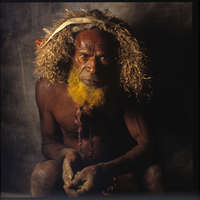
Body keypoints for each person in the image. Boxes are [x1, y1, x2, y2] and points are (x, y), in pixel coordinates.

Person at [30, 9, 164, 197]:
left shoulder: (123, 88)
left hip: (114, 170)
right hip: (73, 172)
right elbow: (48, 143)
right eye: (84, 56)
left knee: (154, 174)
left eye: (103, 57)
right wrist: (66, 155)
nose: (93, 68)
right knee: (42, 174)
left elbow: (147, 144)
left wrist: (106, 170)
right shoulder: (48, 89)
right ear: (71, 55)